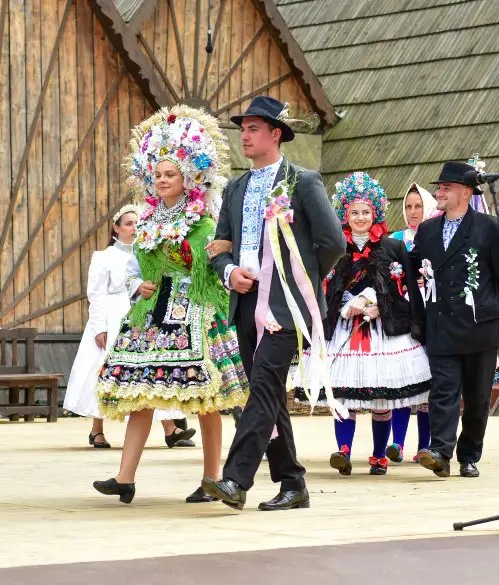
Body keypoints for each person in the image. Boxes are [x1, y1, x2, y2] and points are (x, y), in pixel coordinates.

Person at [92, 105, 249, 504]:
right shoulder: (145, 221)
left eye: (170, 175)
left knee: (204, 398)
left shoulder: (202, 221)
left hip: (195, 311)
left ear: (189, 177)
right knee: (142, 390)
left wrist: (193, 261)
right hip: (152, 313)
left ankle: (211, 477)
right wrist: (138, 285)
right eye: (158, 174)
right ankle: (124, 478)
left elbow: (212, 264)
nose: (162, 180)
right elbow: (133, 266)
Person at [202, 96, 345, 511]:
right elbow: (220, 246)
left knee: (262, 387)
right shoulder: (236, 187)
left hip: (286, 306)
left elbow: (333, 243)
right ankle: (292, 482)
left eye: (253, 129)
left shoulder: (304, 181)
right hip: (245, 303)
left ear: (276, 134)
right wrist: (230, 272)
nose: (244, 136)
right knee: (267, 394)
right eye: (242, 129)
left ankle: (235, 478)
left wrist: (298, 278)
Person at [290, 172, 431, 476]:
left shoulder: (393, 248)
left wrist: (380, 306)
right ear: (345, 213)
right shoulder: (334, 247)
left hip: (383, 330)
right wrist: (343, 307)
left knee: (381, 396)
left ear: (376, 212)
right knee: (343, 394)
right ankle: (344, 451)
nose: (360, 218)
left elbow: (405, 289)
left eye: (366, 212)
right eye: (354, 212)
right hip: (343, 326)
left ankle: (379, 455)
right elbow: (325, 286)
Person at [408, 161, 499, 478]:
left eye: (446, 188)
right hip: (441, 324)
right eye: (439, 187)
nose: (439, 193)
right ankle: (440, 452)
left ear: (466, 192)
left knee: (477, 396)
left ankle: (469, 455)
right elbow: (419, 269)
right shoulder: (428, 231)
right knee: (442, 391)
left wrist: (483, 301)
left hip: (479, 327)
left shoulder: (490, 227)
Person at [64, 206, 197, 449]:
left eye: (137, 223)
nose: (133, 228)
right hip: (113, 315)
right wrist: (99, 327)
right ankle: (97, 430)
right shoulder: (103, 257)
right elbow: (96, 295)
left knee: (149, 366)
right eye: (128, 223)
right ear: (116, 228)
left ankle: (170, 428)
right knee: (104, 368)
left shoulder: (147, 252)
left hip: (140, 312)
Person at [386, 183, 436, 464]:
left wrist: (428, 280)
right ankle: (398, 443)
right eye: (408, 206)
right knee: (403, 382)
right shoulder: (395, 239)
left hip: (429, 311)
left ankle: (424, 446)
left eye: (418, 206)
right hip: (403, 314)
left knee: (427, 381)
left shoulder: (434, 237)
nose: (413, 211)